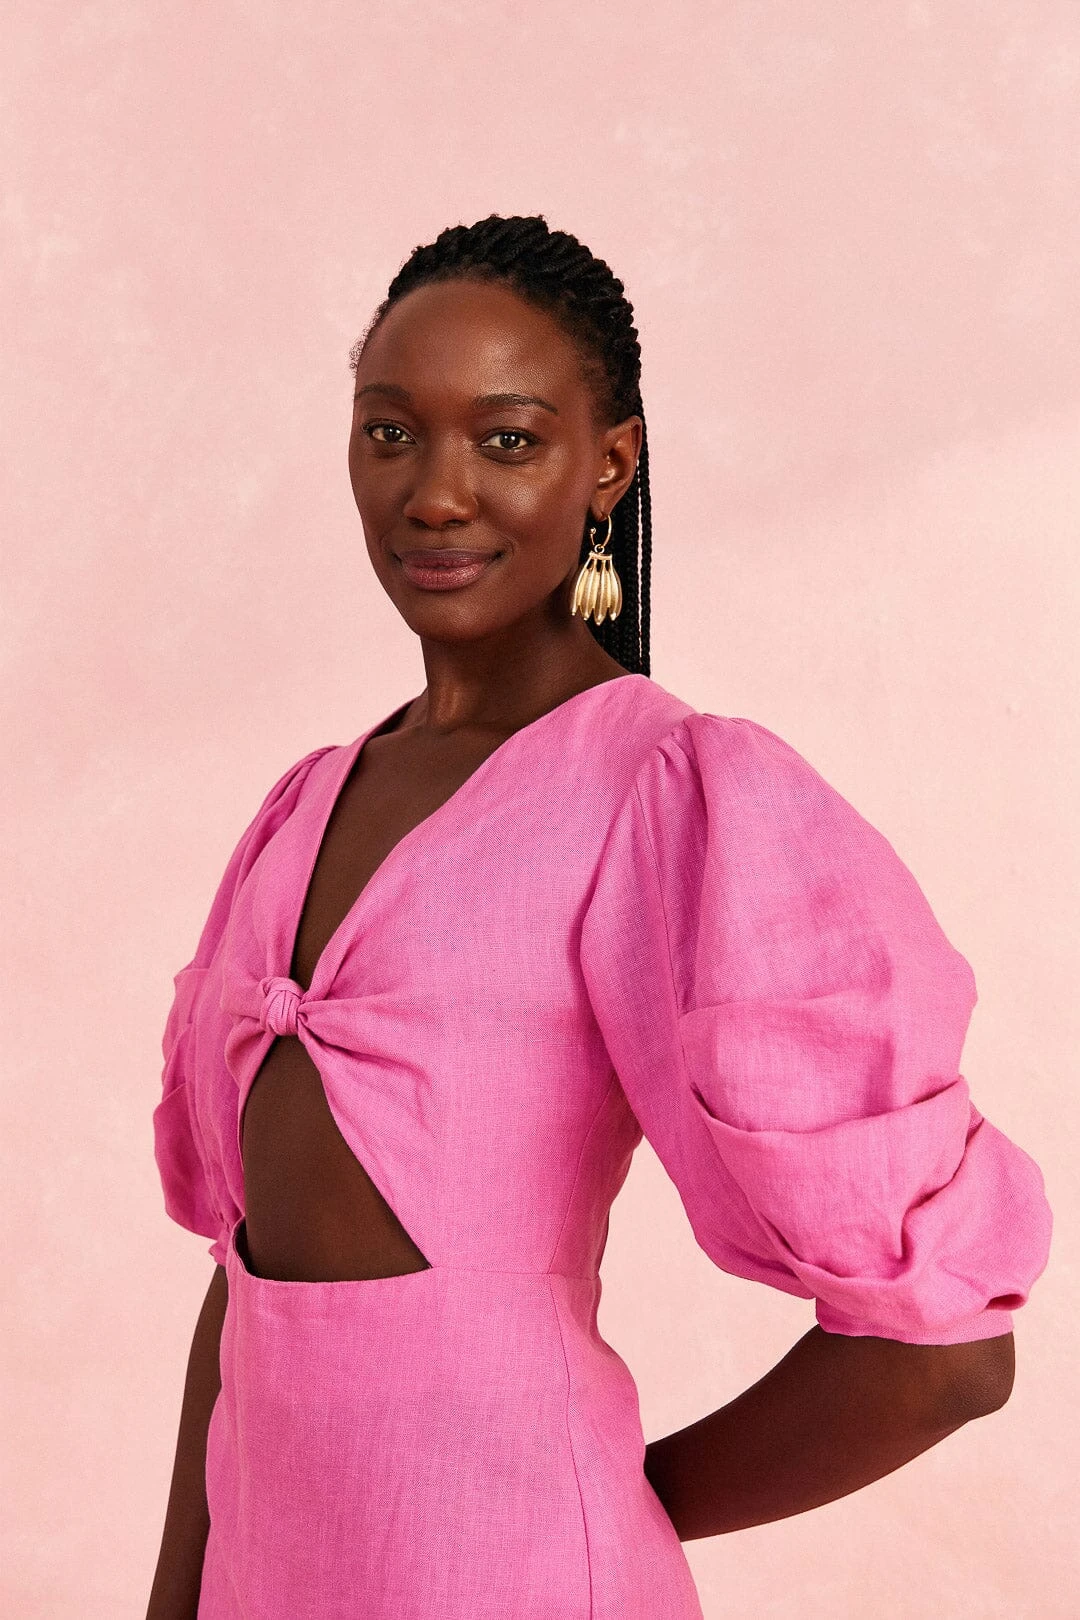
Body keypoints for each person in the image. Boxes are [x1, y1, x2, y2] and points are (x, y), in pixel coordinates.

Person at [145, 214, 1053, 1620]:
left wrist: (607, 1502)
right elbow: (247, 1282)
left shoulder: (665, 792)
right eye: (392, 434)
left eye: (506, 440)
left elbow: (947, 1360)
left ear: (609, 464)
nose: (436, 494)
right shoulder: (305, 803)